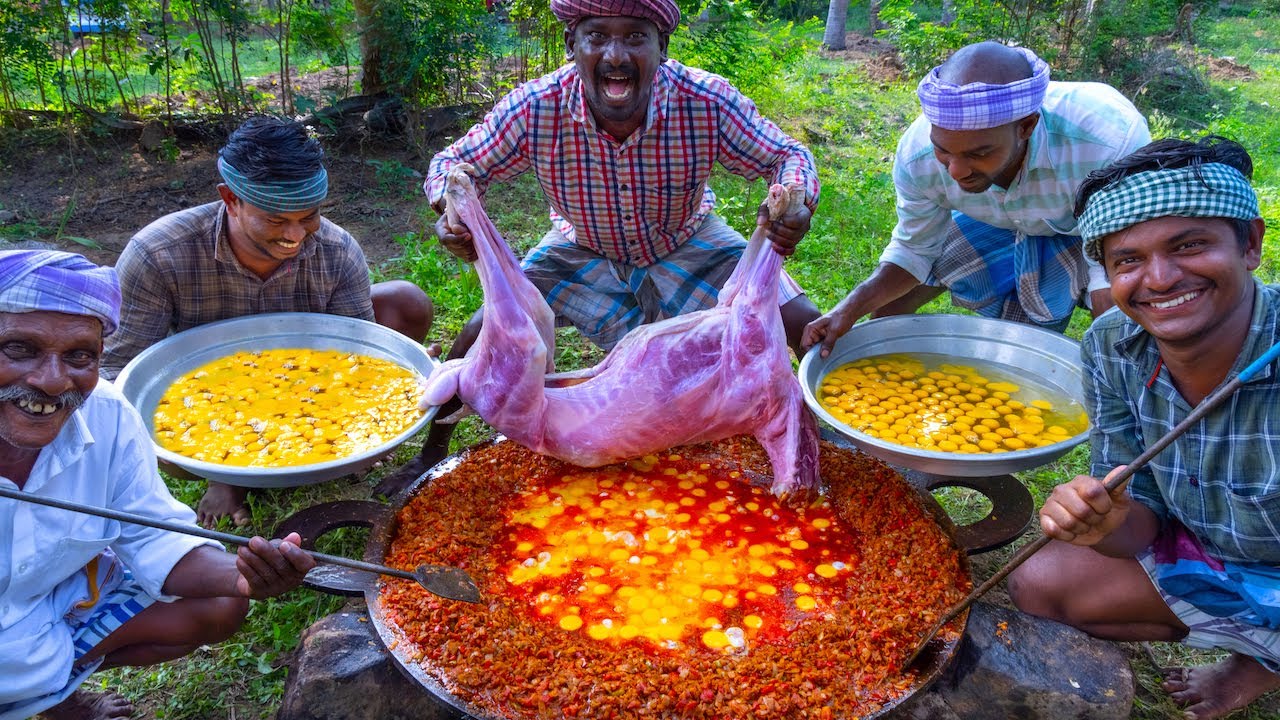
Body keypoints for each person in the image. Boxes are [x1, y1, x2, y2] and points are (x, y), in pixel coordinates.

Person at [387, 0, 823, 491]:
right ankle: (430, 455)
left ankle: (817, 446)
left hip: (686, 238)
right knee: (481, 334)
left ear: (662, 47)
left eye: (635, 37)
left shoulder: (705, 100)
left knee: (802, 321)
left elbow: (789, 155)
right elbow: (452, 164)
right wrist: (451, 209)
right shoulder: (536, 107)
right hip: (580, 245)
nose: (615, 55)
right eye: (597, 37)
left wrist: (797, 201)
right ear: (573, 45)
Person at [1006, 136, 1280, 720]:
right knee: (1042, 581)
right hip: (1210, 554)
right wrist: (1105, 521)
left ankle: (1262, 661)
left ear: (1250, 244)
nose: (1159, 278)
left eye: (1190, 245)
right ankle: (1258, 646)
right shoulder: (1112, 344)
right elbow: (1138, 521)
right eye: (1127, 260)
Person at [0, 250, 317, 720]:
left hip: (47, 596)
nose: (51, 381)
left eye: (79, 356)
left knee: (219, 603)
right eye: (19, 349)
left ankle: (48, 685)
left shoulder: (106, 414)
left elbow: (152, 535)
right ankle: (44, 693)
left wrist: (244, 575)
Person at [101, 117, 434, 527]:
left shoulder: (335, 248)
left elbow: (358, 349)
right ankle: (225, 477)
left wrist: (373, 416)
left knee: (404, 301)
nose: (296, 235)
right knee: (142, 430)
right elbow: (119, 371)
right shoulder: (159, 253)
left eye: (308, 216)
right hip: (211, 396)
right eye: (276, 220)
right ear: (230, 199)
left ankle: (333, 455)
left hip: (308, 379)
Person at [804, 41, 1151, 357]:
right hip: (993, 220)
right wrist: (847, 309)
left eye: (979, 153)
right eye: (943, 149)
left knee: (1121, 307)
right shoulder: (917, 155)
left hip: (1088, 235)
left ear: (1026, 127)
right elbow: (915, 249)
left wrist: (1114, 338)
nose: (956, 171)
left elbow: (1120, 259)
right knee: (905, 287)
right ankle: (877, 365)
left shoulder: (1107, 141)